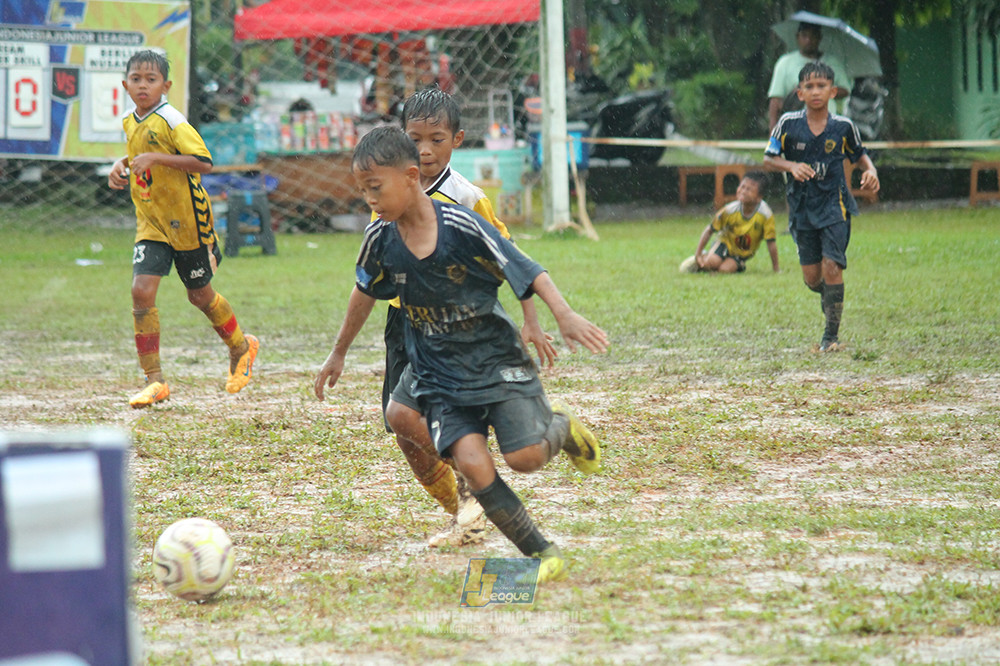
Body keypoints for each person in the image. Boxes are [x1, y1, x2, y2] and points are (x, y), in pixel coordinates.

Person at [318, 126, 608, 581]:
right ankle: (541, 552)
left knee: (525, 459)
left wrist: (563, 316)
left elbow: (526, 269)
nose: (369, 200)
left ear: (411, 176)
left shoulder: (462, 226)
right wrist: (338, 353)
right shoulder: (380, 239)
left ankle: (561, 428)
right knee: (473, 464)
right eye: (362, 190)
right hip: (438, 373)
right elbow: (363, 292)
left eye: (376, 188)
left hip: (493, 358)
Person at [108, 50, 258, 408]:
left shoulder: (172, 119)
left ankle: (241, 347)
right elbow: (142, 152)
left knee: (199, 295)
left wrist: (156, 158)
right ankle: (154, 380)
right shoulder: (131, 120)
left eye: (151, 79)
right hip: (152, 222)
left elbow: (203, 162)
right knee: (141, 291)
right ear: (125, 83)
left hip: (188, 223)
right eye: (137, 79)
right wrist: (123, 163)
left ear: (166, 86)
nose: (143, 85)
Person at [764, 62, 879, 352]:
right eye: (810, 87)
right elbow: (768, 158)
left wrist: (871, 171)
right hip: (802, 208)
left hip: (834, 205)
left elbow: (860, 155)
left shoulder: (843, 126)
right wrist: (791, 166)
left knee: (832, 266)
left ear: (833, 92)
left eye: (822, 86)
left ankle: (831, 337)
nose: (816, 91)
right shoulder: (788, 124)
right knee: (812, 278)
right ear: (800, 92)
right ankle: (827, 294)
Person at [685, 172, 779, 274]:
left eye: (749, 189)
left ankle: (739, 265)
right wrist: (698, 254)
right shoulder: (729, 210)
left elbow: (771, 242)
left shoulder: (766, 215)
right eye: (742, 186)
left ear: (759, 197)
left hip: (741, 253)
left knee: (724, 270)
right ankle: (703, 256)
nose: (743, 191)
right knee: (710, 264)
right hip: (724, 244)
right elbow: (709, 230)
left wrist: (776, 268)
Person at [767, 21, 851, 131]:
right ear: (797, 37)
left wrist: (823, 91)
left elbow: (845, 90)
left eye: (813, 36)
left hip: (828, 125)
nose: (809, 40)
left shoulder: (832, 62)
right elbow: (775, 99)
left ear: (820, 38)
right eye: (804, 35)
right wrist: (773, 131)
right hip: (796, 126)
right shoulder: (784, 63)